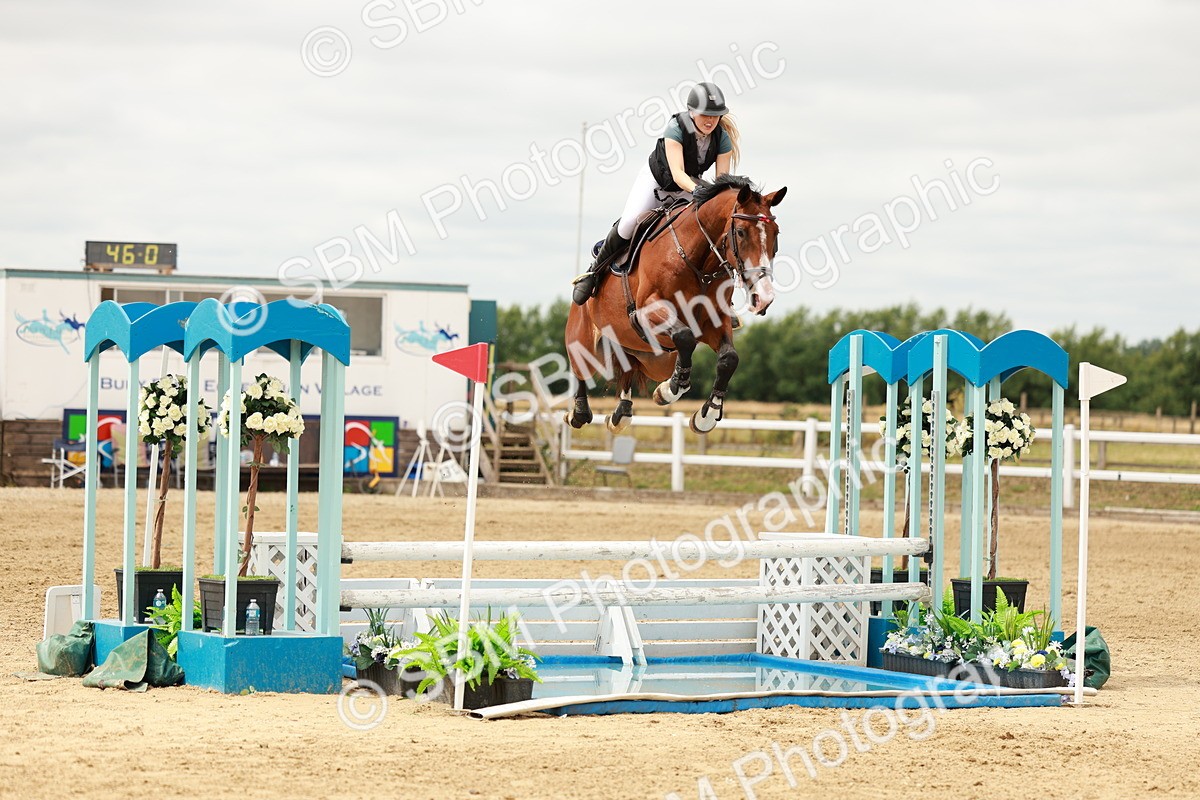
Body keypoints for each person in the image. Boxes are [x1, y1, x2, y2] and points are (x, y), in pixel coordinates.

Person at [572, 81, 741, 305]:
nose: (710, 120)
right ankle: (593, 273)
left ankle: (718, 298)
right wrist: (700, 190)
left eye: (715, 115)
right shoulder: (676, 128)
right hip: (658, 181)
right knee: (630, 222)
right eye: (704, 115)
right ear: (691, 113)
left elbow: (720, 182)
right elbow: (678, 173)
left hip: (689, 186)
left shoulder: (722, 138)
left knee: (709, 227)